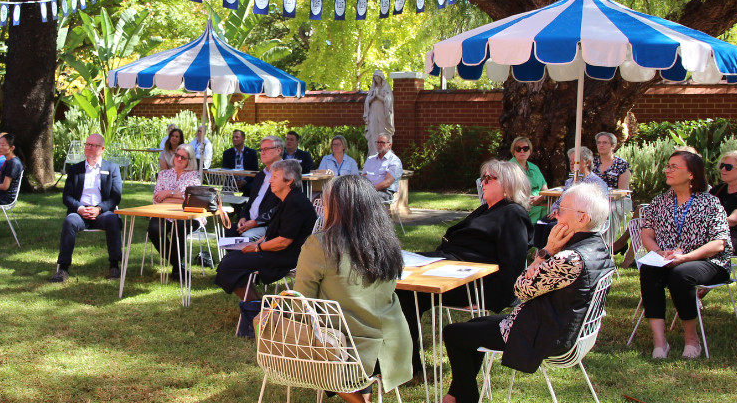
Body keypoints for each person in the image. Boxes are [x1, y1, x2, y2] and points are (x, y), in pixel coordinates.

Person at [440, 183, 615, 403]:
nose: (556, 216)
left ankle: (463, 398)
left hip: (546, 335)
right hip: (567, 327)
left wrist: (546, 251)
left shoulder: (569, 259)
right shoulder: (599, 249)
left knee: (454, 333)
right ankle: (455, 396)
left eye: (562, 210)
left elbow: (521, 288)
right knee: (474, 326)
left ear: (582, 219)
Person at [396, 159, 533, 376]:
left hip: (473, 283)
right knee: (400, 288)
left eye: (489, 178)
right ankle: (404, 363)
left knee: (403, 293)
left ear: (507, 185)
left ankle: (406, 366)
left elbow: (513, 263)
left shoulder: (512, 213)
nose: (483, 182)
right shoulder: (486, 210)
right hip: (447, 267)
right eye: (483, 177)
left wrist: (492, 300)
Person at [294, 175, 413, 401]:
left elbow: (301, 303)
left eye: (325, 200)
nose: (322, 206)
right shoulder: (388, 243)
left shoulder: (319, 244)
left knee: (273, 325)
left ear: (336, 206)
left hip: (345, 350)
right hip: (393, 344)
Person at [637, 150, 732, 359]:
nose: (667, 170)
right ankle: (660, 342)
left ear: (691, 174)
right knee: (649, 270)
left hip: (707, 261)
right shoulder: (659, 202)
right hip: (668, 258)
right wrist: (659, 252)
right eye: (667, 166)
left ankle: (692, 338)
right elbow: (646, 235)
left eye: (674, 167)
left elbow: (719, 243)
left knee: (681, 275)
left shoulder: (710, 203)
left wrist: (686, 258)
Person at [215, 159, 317, 301]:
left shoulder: (296, 202)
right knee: (230, 259)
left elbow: (284, 241)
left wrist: (257, 247)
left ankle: (257, 310)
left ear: (289, 181)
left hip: (287, 256)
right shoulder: (287, 199)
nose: (270, 181)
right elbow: (272, 231)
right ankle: (258, 308)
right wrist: (256, 244)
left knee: (229, 265)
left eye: (275, 177)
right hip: (276, 251)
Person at [51, 133, 123, 282]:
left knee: (113, 220)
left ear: (102, 148)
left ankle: (114, 266)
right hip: (80, 212)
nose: (89, 148)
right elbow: (67, 196)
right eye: (87, 144)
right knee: (70, 221)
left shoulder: (112, 168)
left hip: (102, 213)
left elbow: (116, 196)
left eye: (93, 145)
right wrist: (80, 208)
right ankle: (63, 268)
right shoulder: (75, 169)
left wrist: (99, 209)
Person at [534, 147, 608, 248]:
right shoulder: (570, 182)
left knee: (551, 228)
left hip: (581, 221)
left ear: (587, 162)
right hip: (562, 216)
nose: (573, 164)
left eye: (576, 161)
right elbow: (559, 201)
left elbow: (600, 208)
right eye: (571, 161)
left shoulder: (596, 183)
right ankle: (540, 252)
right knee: (540, 224)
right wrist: (555, 209)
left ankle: (550, 253)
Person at [147, 144, 202, 271]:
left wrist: (167, 193)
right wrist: (179, 196)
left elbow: (190, 197)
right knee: (154, 229)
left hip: (187, 214)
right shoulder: (163, 174)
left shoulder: (194, 176)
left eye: (183, 157)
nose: (179, 159)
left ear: (190, 160)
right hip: (164, 213)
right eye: (177, 155)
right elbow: (157, 197)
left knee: (180, 228)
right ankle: (177, 264)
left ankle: (177, 268)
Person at [233, 136, 286, 240]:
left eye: (266, 149)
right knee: (227, 233)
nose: (262, 152)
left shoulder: (286, 174)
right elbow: (250, 201)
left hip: (269, 225)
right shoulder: (260, 175)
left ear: (278, 150)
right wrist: (243, 217)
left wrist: (255, 223)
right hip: (249, 222)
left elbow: (281, 208)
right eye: (261, 149)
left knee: (245, 238)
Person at [510, 136, 548, 220]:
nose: (522, 151)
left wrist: (541, 198)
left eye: (525, 148)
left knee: (557, 210)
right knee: (552, 213)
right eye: (518, 149)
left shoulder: (534, 168)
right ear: (513, 151)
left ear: (530, 151)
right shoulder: (508, 168)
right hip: (520, 206)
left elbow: (544, 188)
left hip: (539, 203)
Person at [364, 70, 395, 157]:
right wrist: (374, 96)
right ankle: (373, 152)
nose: (377, 80)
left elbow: (388, 101)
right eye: (375, 78)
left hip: (382, 113)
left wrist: (379, 96)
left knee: (383, 130)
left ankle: (384, 152)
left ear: (381, 78)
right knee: (373, 130)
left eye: (378, 78)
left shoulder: (386, 88)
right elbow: (367, 101)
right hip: (373, 112)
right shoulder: (373, 89)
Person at [362, 133, 402, 197]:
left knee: (365, 199)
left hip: (385, 192)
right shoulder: (370, 159)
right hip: (367, 191)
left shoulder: (394, 161)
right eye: (378, 142)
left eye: (382, 142)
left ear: (389, 145)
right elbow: (363, 177)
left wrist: (370, 190)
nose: (379, 145)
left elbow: (388, 182)